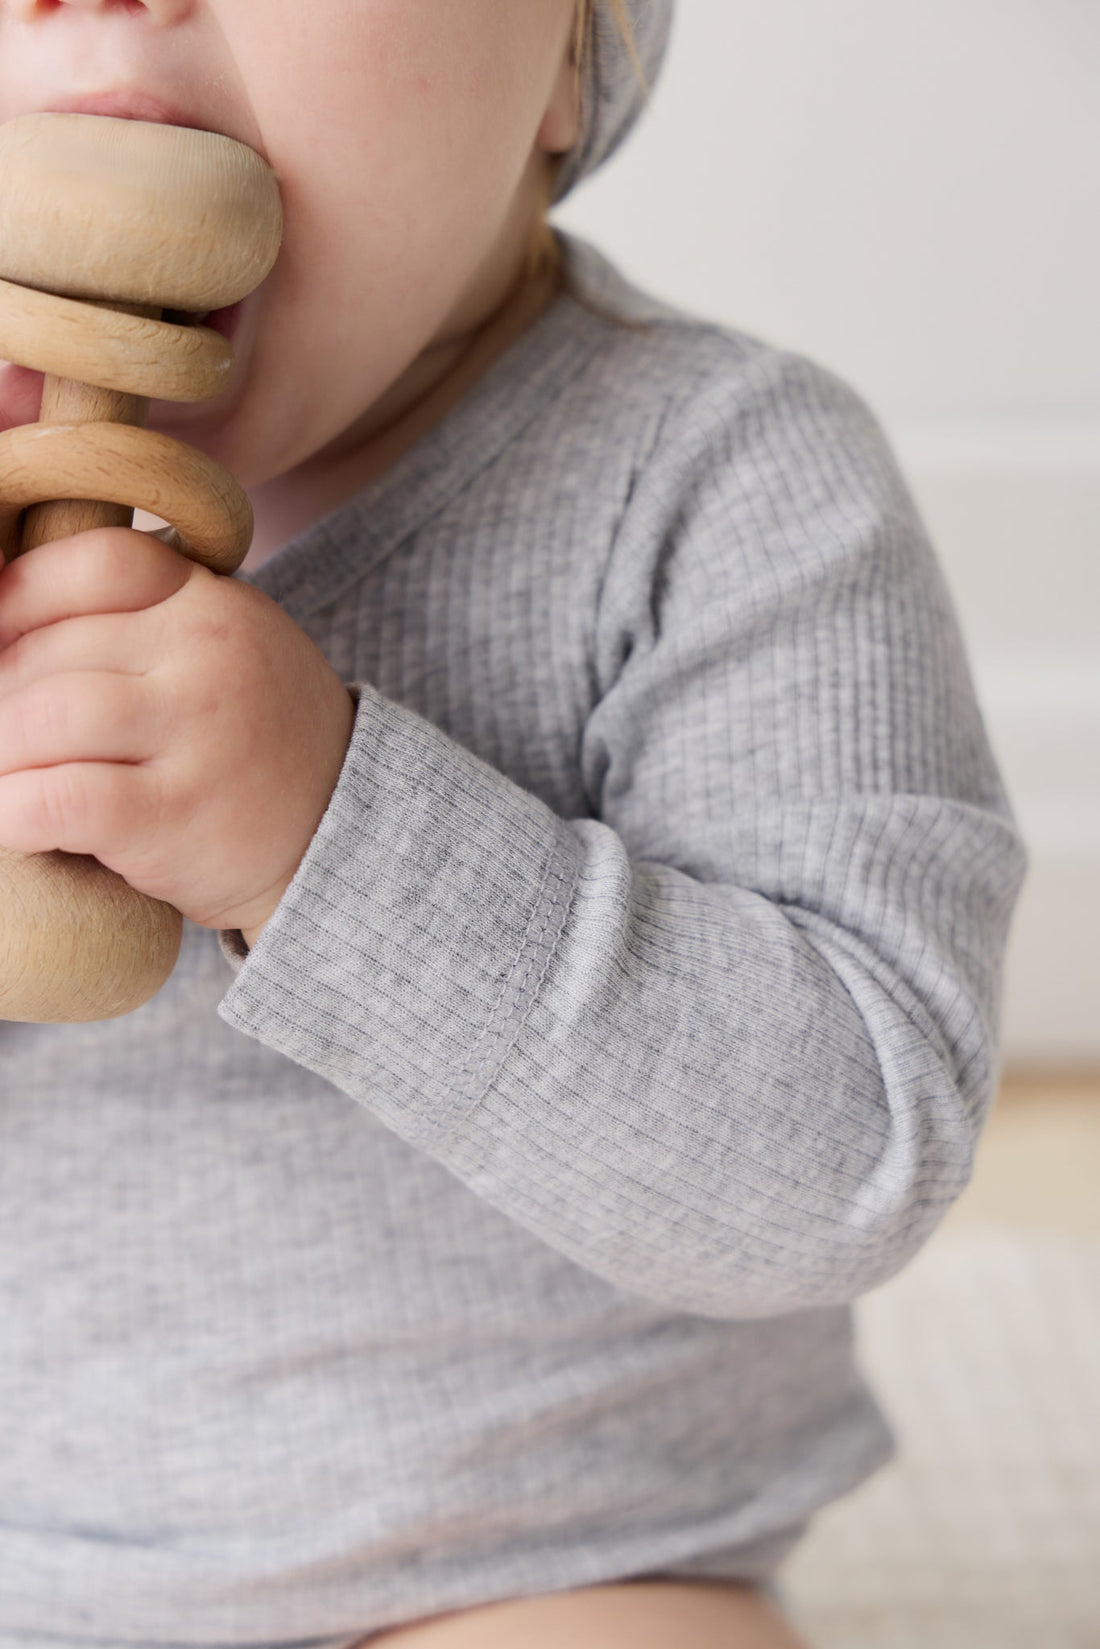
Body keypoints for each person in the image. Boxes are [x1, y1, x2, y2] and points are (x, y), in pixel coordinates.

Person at [0, 1, 1028, 1646]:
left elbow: (852, 1154)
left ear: (569, 55)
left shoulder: (719, 486)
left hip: (540, 1558)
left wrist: (324, 831)